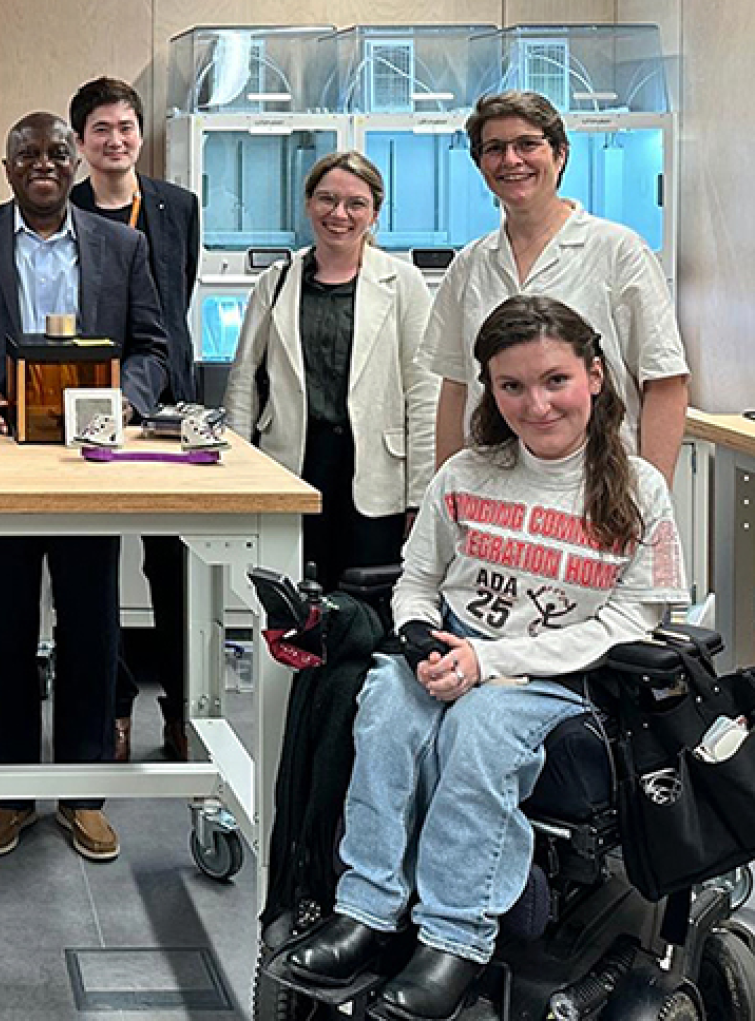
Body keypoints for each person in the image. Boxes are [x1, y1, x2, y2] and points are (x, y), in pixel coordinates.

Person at [283, 294, 688, 1021]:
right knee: (383, 708)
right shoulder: (468, 473)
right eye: (511, 386)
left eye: (555, 380)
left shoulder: (638, 487)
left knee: (480, 730)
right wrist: (414, 637)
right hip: (452, 644)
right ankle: (366, 909)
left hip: (557, 676)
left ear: (594, 375)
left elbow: (633, 618)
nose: (536, 404)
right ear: (489, 391)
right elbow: (418, 582)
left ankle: (454, 937)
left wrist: (490, 661)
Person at [0, 112, 169, 863]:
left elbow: (155, 347)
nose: (43, 164)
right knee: (2, 630)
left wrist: (126, 399)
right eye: (26, 152)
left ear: (74, 164)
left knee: (91, 626)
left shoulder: (121, 246)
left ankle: (84, 794)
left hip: (88, 469)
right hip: (1, 467)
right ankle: (10, 791)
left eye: (56, 153)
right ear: (4, 168)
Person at [424, 90, 689, 483]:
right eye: (494, 148)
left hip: (596, 488)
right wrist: (443, 496)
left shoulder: (618, 252)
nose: (511, 160)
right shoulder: (470, 265)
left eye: (527, 144)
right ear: (480, 165)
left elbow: (666, 382)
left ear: (560, 154)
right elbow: (456, 388)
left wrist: (650, 500)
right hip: (493, 492)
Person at [67, 75, 204, 764]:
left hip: (164, 405)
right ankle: (113, 706)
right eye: (101, 131)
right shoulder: (65, 208)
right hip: (87, 404)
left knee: (170, 567)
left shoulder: (178, 205)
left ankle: (180, 713)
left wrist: (150, 386)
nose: (116, 141)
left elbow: (174, 306)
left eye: (125, 127)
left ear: (139, 132)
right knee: (92, 567)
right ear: (81, 143)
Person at [225, 151, 438, 589]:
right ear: (308, 204)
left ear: (374, 214)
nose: (339, 214)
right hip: (293, 463)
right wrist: (237, 475)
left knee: (367, 604)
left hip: (375, 475)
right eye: (326, 199)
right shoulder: (277, 281)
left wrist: (422, 495)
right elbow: (244, 380)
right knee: (289, 601)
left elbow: (424, 394)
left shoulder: (403, 284)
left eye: (355, 204)